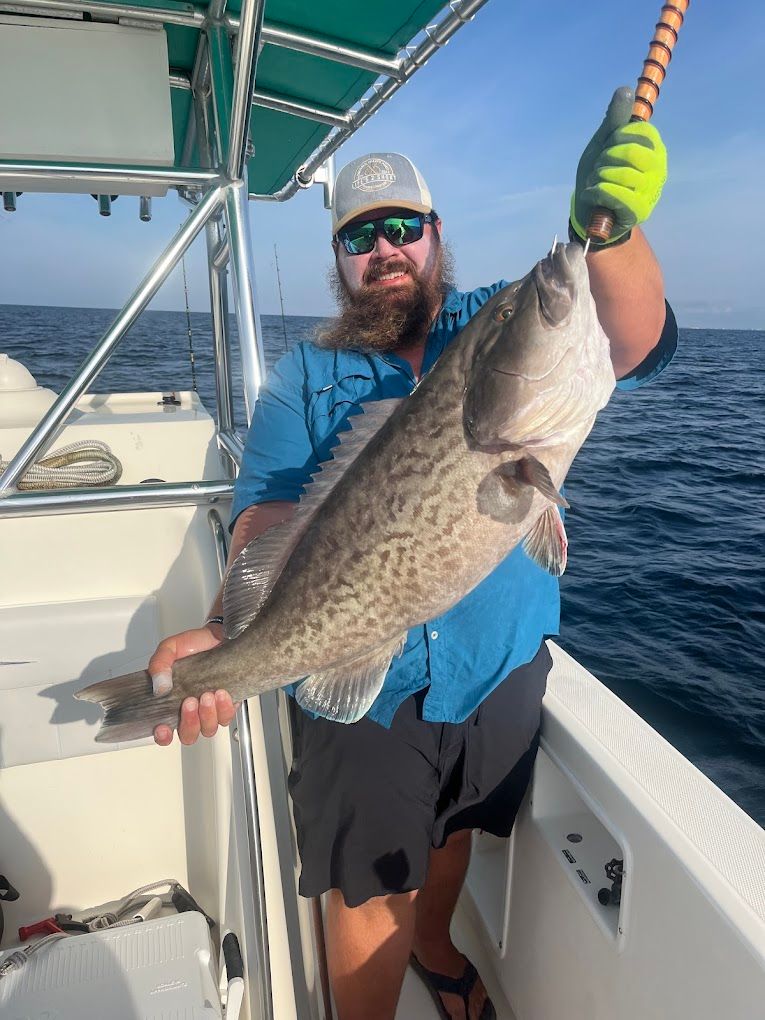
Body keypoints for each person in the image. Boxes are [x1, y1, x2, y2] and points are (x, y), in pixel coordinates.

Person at [150, 87, 677, 1020]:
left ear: (435, 237)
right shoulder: (301, 377)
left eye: (403, 227)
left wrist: (612, 231)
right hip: (368, 678)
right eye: (361, 236)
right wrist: (229, 635)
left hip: (494, 664)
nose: (384, 249)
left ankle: (436, 945)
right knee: (367, 884)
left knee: (454, 828)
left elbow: (629, 336)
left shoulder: (491, 317)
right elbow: (265, 517)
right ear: (340, 262)